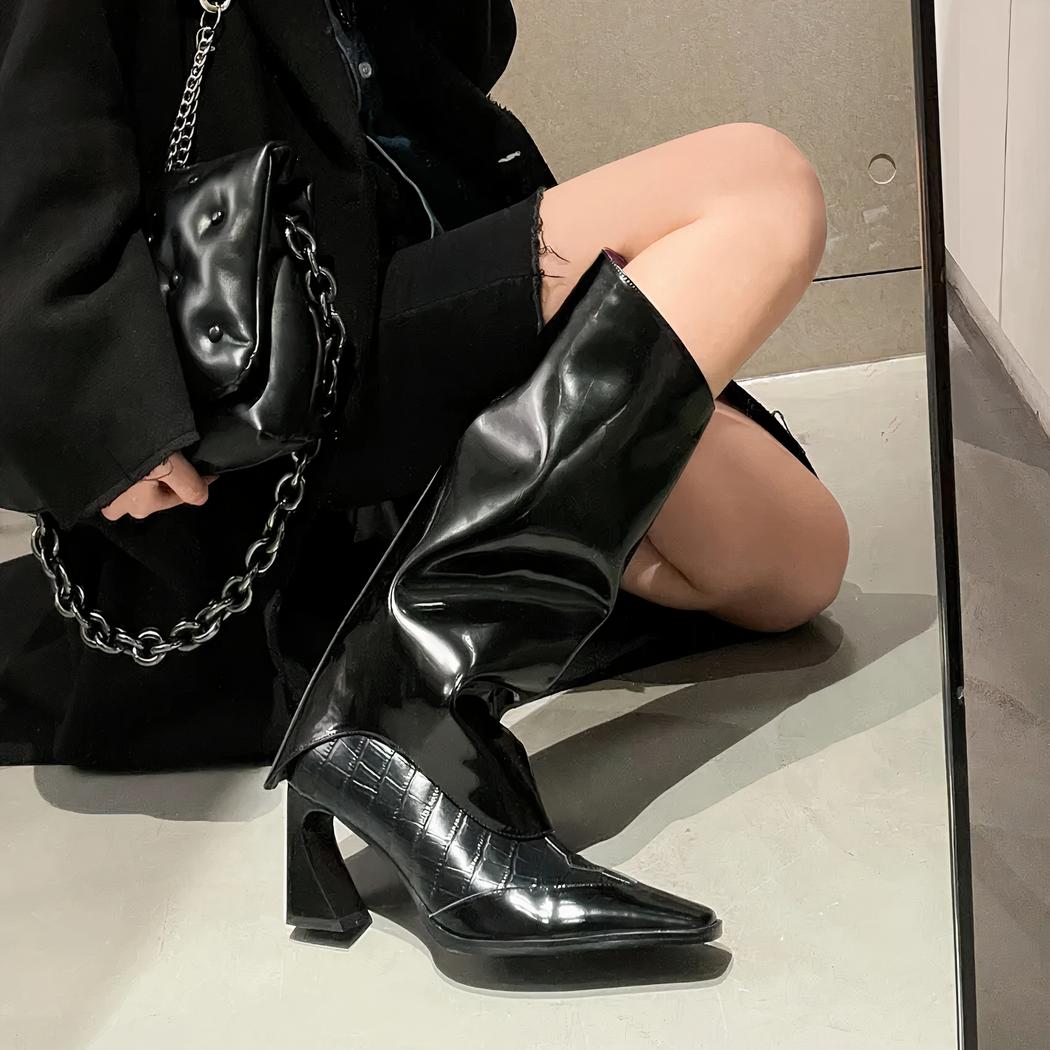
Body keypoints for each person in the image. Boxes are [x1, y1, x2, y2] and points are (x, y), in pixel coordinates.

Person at [0, 0, 848, 951]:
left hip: (420, 262)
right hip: (285, 340)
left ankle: (444, 586)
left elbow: (470, 46)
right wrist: (99, 408)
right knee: (761, 184)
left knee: (797, 560)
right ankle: (406, 704)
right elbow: (28, 127)